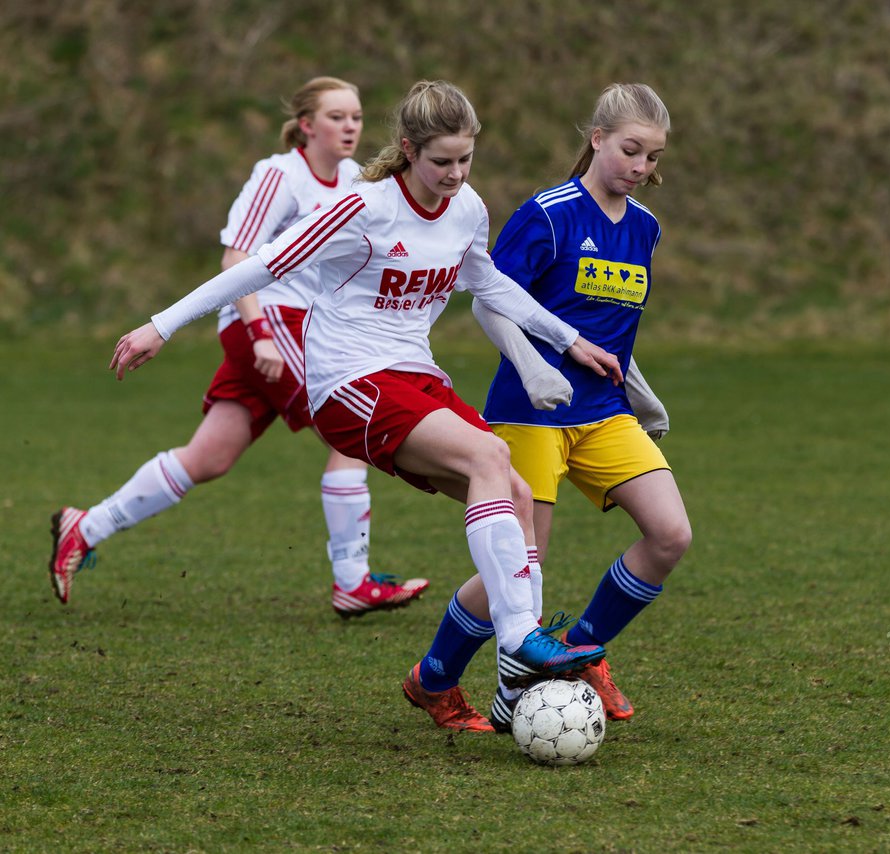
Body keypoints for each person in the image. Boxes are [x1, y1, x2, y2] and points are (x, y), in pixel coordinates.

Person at [109, 79, 621, 732]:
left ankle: (437, 681)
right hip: (347, 383)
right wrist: (162, 323)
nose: (455, 175)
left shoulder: (466, 210)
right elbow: (256, 267)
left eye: (466, 160)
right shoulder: (362, 207)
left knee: (516, 497)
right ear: (407, 150)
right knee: (493, 455)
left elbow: (489, 284)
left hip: (414, 377)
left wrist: (568, 341)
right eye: (441, 162)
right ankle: (520, 644)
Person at [48, 77, 428, 617]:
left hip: (307, 328)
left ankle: (84, 527)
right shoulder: (278, 175)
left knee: (209, 457)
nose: (350, 127)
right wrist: (260, 334)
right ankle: (352, 580)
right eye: (337, 117)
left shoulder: (351, 179)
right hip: (269, 324)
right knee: (349, 432)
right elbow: (236, 259)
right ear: (306, 125)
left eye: (357, 117)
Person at [408, 82, 691, 734]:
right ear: (596, 139)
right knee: (521, 570)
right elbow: (489, 301)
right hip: (530, 412)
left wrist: (640, 390)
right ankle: (434, 677)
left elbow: (612, 325)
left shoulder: (644, 228)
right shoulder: (549, 213)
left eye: (653, 157)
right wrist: (533, 368)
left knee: (670, 535)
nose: (641, 169)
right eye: (630, 150)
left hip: (603, 412)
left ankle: (583, 649)